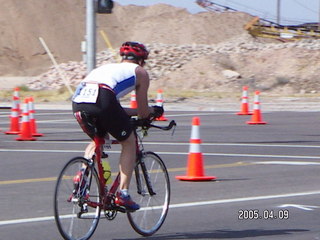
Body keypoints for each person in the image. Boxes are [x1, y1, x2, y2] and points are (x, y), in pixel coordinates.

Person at [72, 41, 163, 211]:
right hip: (103, 98)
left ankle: (82, 177)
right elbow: (143, 112)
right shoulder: (140, 72)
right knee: (128, 141)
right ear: (142, 61)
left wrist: (134, 112)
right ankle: (123, 193)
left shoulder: (107, 68)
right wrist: (154, 110)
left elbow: (114, 109)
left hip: (79, 101)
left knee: (99, 139)